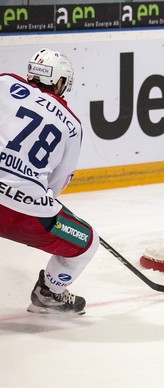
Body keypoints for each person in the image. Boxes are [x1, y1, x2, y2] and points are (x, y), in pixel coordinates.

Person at [0, 48, 100, 314]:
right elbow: (57, 183)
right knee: (88, 243)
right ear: (60, 82)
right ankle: (49, 292)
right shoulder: (71, 124)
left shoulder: (5, 82)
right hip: (24, 212)